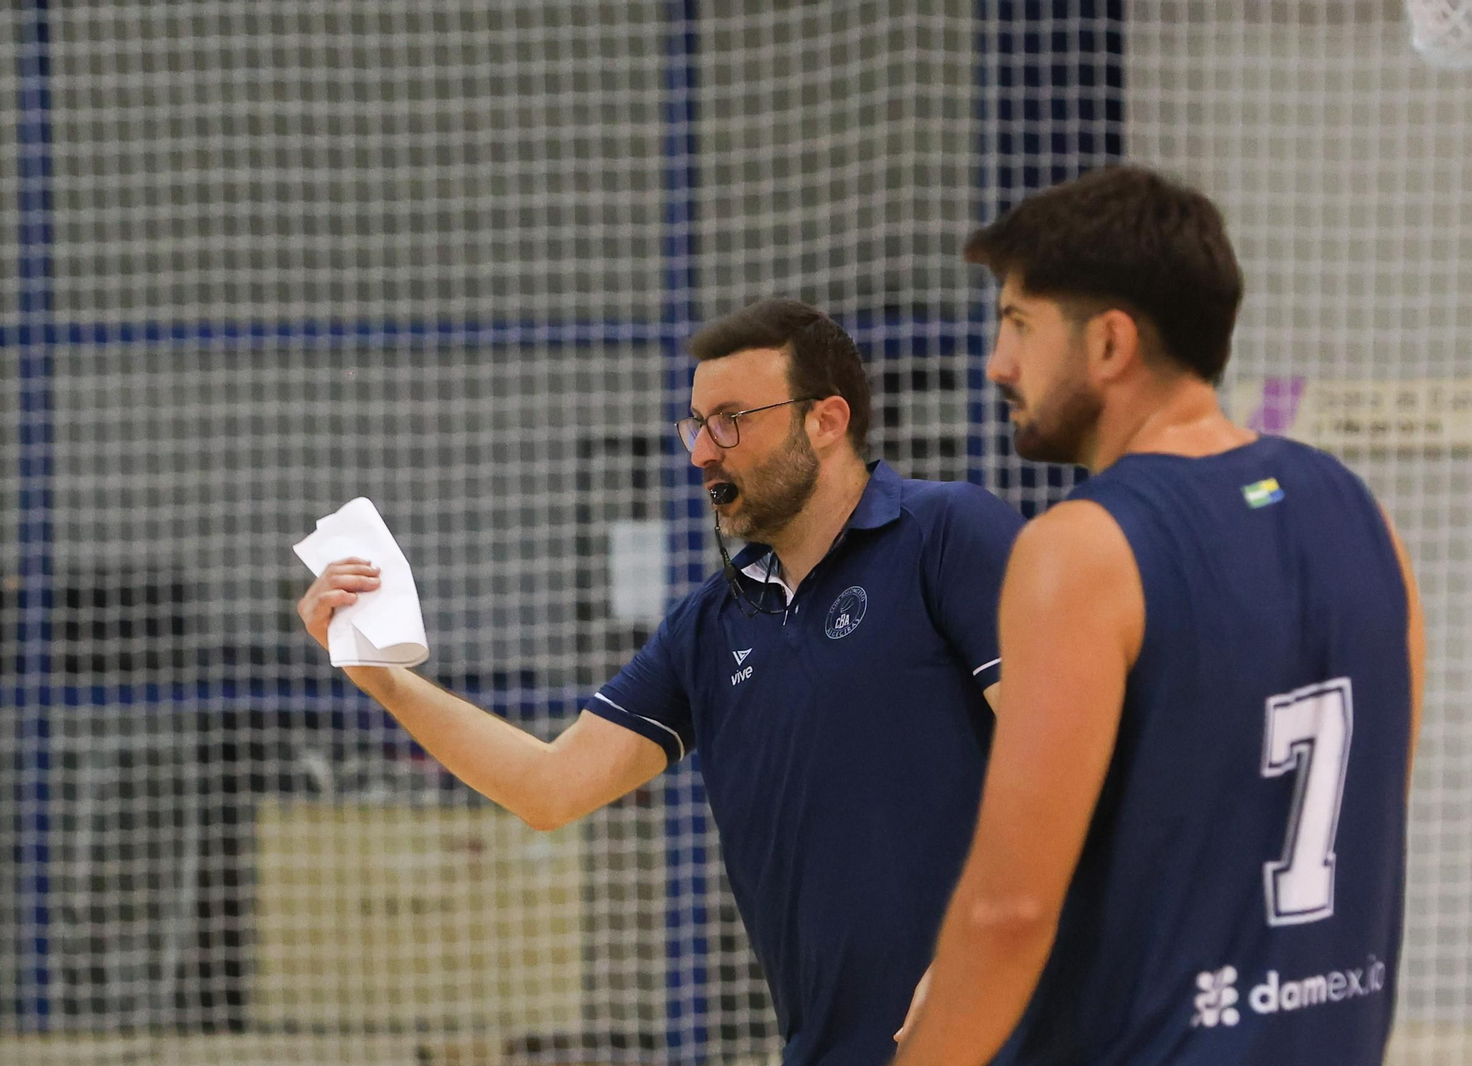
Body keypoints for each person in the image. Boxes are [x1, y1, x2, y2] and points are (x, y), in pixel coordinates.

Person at [297, 298, 1025, 1065]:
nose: (703, 452)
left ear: (826, 420)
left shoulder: (947, 534)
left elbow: (1079, 766)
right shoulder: (711, 624)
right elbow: (549, 787)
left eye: (731, 420)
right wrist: (379, 677)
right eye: (696, 424)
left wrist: (981, 953)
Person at [892, 166, 1426, 1066]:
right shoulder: (1362, 512)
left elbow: (1010, 911)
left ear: (1109, 344)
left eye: (1020, 323)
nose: (998, 363)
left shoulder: (1082, 549)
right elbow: (1377, 799)